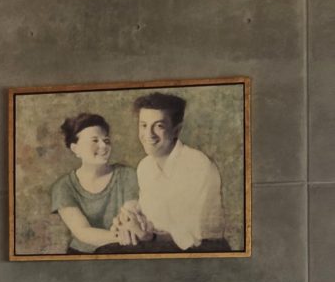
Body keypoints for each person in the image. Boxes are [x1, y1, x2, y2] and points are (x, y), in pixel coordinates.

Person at [113, 92, 229, 252]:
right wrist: (127, 220)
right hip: (157, 243)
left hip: (202, 251)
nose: (148, 134)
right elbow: (150, 213)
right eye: (144, 125)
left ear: (176, 130)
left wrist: (148, 236)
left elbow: (192, 237)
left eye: (159, 126)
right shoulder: (145, 166)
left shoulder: (198, 165)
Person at [50, 113, 140, 254]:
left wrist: (129, 231)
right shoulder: (63, 186)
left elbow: (130, 217)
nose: (103, 146)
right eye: (95, 141)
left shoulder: (127, 175)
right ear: (75, 149)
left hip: (124, 251)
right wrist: (120, 236)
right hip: (83, 256)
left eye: (106, 140)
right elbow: (83, 232)